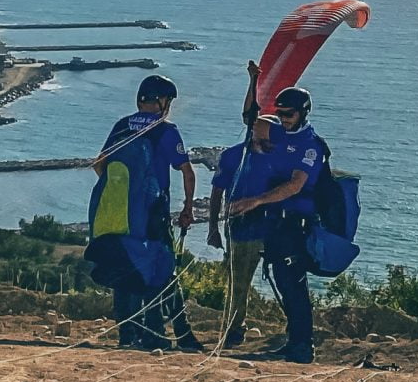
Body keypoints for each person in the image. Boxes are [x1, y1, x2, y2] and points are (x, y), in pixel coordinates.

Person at [222, 85, 328, 363]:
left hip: (295, 224)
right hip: (276, 223)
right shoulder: (281, 133)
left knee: (294, 283)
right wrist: (253, 82)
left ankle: (303, 345)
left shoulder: (310, 145)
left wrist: (255, 201)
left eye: (289, 114)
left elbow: (295, 185)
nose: (283, 118)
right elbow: (250, 119)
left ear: (303, 113)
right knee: (282, 280)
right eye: (279, 113)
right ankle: (294, 341)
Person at [96, 75, 200, 351]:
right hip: (154, 213)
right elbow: (187, 172)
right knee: (159, 270)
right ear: (160, 101)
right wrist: (188, 207)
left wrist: (120, 194)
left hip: (121, 212)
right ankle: (162, 333)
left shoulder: (122, 126)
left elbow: (100, 164)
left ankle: (127, 334)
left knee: (124, 268)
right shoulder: (166, 131)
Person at [206, 107, 283, 350]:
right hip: (241, 226)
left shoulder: (280, 157)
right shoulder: (233, 156)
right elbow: (217, 192)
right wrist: (213, 228)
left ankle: (292, 326)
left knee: (285, 279)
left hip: (274, 227)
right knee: (239, 280)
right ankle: (234, 327)